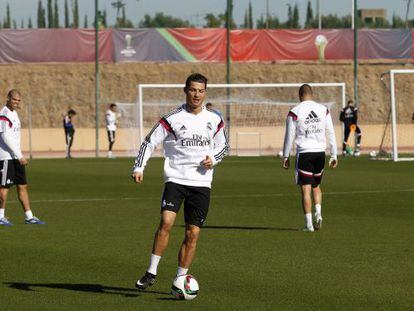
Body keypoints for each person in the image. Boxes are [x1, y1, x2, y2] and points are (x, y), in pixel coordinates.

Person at [132, 73, 228, 289]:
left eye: (201, 90)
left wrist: (213, 158)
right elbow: (149, 142)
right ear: (186, 90)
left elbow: (224, 147)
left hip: (202, 184)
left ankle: (180, 279)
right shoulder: (172, 118)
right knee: (166, 222)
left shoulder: (214, 120)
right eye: (193, 90)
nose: (197, 94)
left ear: (205, 92)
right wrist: (139, 166)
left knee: (192, 233)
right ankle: (151, 271)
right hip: (175, 179)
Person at [282, 84, 337, 232]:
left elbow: (289, 136)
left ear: (300, 96)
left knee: (305, 190)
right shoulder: (323, 110)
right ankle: (318, 213)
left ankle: (308, 225)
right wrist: (334, 154)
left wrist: (285, 155)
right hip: (320, 153)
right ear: (312, 94)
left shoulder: (294, 112)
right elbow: (330, 132)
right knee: (316, 186)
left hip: (305, 153)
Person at [0, 89, 45, 226]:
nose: (16, 102)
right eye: (14, 99)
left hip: (16, 156)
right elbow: (5, 136)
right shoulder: (3, 114)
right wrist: (19, 155)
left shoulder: (15, 114)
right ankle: (0, 216)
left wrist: (19, 154)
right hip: (6, 157)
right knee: (4, 187)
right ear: (8, 98)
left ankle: (29, 216)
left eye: (18, 100)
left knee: (22, 186)